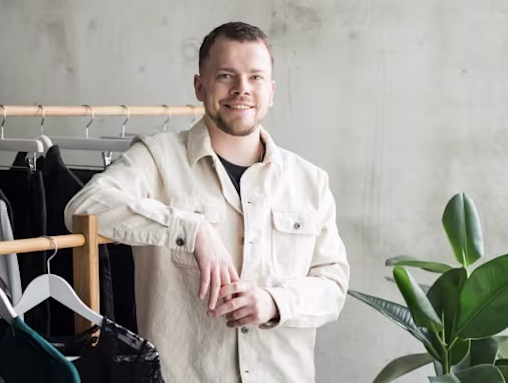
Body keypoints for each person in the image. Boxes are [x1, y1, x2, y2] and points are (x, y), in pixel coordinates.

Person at [64, 21, 350, 383]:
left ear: (272, 90)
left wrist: (275, 302)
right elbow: (83, 207)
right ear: (200, 86)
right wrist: (190, 229)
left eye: (256, 77)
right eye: (226, 76)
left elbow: (333, 286)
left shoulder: (310, 181)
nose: (242, 89)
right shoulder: (157, 158)